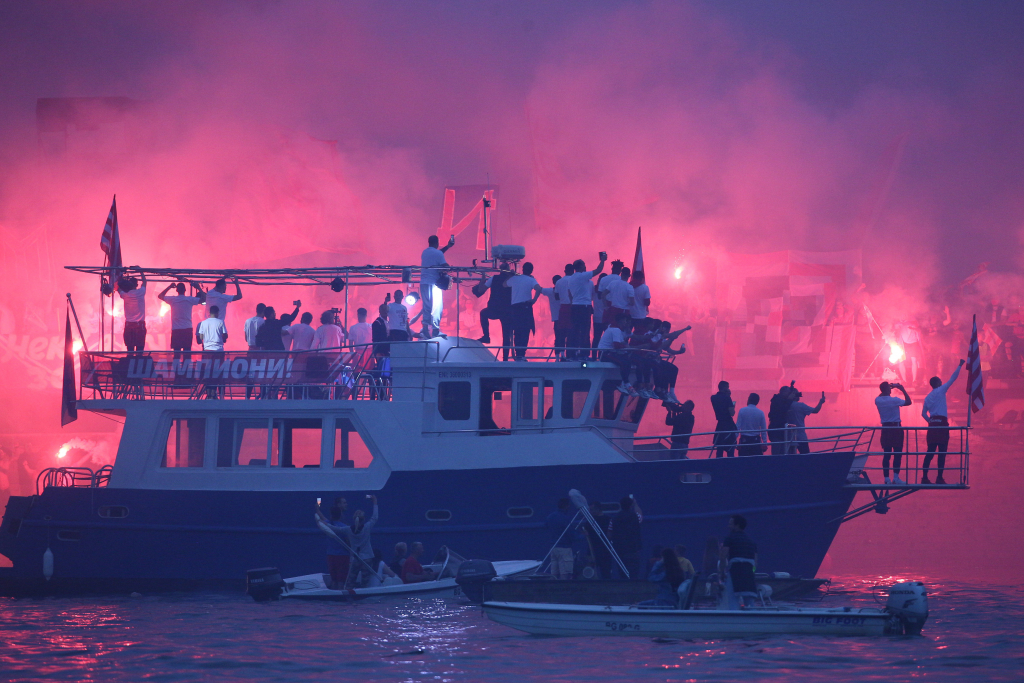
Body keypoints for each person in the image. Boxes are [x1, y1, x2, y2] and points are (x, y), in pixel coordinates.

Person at [921, 359, 965, 484]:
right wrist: (960, 365)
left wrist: (931, 421)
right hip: (942, 424)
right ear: (938, 383)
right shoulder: (941, 390)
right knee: (942, 452)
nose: (942, 382)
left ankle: (924, 477)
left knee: (930, 451)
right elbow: (953, 378)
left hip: (933, 424)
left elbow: (923, 414)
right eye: (940, 381)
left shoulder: (928, 397)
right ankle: (939, 477)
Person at [563, 253, 607, 359]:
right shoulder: (582, 276)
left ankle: (571, 354)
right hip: (584, 307)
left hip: (575, 306)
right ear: (580, 267)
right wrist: (603, 260)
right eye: (584, 265)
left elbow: (569, 294)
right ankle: (584, 354)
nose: (585, 266)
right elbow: (598, 270)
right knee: (585, 331)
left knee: (573, 330)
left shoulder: (571, 279)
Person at [875, 381, 913, 485]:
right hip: (896, 428)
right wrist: (902, 389)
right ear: (888, 389)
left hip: (886, 429)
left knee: (887, 454)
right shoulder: (894, 400)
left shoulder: (877, 400)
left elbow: (881, 394)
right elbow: (909, 402)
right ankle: (896, 477)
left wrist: (886, 387)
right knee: (897, 454)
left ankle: (886, 478)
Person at [504, 262, 543, 360]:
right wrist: (534, 300)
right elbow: (539, 289)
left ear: (523, 269)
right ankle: (522, 354)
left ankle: (518, 354)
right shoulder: (531, 280)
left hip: (515, 308)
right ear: (531, 270)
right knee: (525, 331)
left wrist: (510, 275)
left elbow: (504, 284)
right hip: (526, 307)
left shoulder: (514, 279)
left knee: (517, 331)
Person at [476, 262, 514, 360]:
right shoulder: (513, 279)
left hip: (495, 309)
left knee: (483, 313)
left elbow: (480, 290)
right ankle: (505, 358)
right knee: (506, 336)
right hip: (507, 310)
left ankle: (486, 336)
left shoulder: (494, 278)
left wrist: (483, 278)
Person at [719, 515, 758, 609]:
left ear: (737, 525)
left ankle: (734, 619)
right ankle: (753, 618)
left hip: (735, 570)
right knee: (749, 599)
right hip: (749, 572)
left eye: (730, 524)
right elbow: (755, 562)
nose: (728, 526)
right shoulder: (751, 541)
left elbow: (723, 556)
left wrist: (721, 572)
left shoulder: (729, 538)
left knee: (732, 598)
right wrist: (752, 572)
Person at [420, 234, 455, 337]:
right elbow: (444, 264)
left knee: (426, 306)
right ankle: (435, 330)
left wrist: (448, 247)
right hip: (434, 283)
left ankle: (425, 328)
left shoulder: (425, 252)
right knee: (437, 306)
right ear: (437, 243)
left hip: (423, 283)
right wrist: (449, 267)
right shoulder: (438, 254)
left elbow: (438, 254)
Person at [158, 282, 204, 355]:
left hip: (176, 329)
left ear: (176, 290)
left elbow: (160, 296)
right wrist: (198, 288)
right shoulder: (190, 299)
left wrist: (169, 287)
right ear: (185, 290)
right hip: (187, 329)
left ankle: (176, 366)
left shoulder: (173, 299)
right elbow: (204, 299)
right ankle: (186, 366)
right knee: (187, 352)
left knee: (177, 353)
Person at [598, 312, 636, 395]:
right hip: (605, 354)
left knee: (628, 360)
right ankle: (625, 384)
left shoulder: (614, 328)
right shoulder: (616, 330)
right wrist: (627, 347)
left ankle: (624, 383)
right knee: (624, 362)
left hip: (611, 352)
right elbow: (617, 345)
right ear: (621, 321)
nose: (626, 323)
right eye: (625, 321)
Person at [197, 305, 228, 399]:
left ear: (209, 313)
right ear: (217, 312)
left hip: (207, 351)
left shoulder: (203, 323)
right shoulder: (220, 322)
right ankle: (215, 394)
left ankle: (209, 393)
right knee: (217, 373)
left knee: (208, 373)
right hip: (218, 351)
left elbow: (201, 337)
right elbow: (225, 335)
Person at [609, 495, 643, 580]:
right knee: (634, 571)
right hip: (633, 548)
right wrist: (635, 504)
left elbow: (609, 534)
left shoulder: (614, 519)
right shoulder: (635, 517)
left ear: (620, 505)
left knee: (622, 571)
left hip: (619, 549)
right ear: (631, 505)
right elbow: (640, 515)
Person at [319, 499, 350, 589]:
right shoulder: (344, 527)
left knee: (334, 579)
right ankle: (341, 598)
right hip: (343, 556)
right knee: (341, 580)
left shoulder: (327, 524)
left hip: (331, 555)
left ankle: (333, 598)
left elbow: (321, 519)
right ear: (340, 515)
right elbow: (348, 543)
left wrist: (317, 510)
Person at [545, 498, 577, 579]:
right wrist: (584, 536)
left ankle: (553, 589)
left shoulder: (550, 516)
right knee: (565, 572)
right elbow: (572, 535)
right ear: (567, 506)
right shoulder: (565, 518)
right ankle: (564, 589)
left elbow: (546, 525)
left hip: (554, 547)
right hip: (564, 548)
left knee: (554, 572)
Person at [786, 389, 826, 454]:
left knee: (790, 457)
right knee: (806, 455)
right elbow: (816, 410)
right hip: (801, 436)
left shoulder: (785, 406)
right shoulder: (801, 405)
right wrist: (821, 402)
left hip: (788, 436)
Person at [117, 268, 148, 352]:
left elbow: (117, 287)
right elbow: (144, 282)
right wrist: (141, 270)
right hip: (139, 324)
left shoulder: (125, 295)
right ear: (136, 285)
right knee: (140, 348)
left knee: (130, 349)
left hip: (129, 324)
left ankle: (130, 363)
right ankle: (138, 363)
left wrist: (120, 278)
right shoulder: (141, 292)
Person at [583, 502, 613, 579]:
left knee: (606, 572)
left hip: (605, 550)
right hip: (592, 549)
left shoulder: (608, 520)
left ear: (598, 509)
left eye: (592, 510)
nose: (590, 512)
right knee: (591, 573)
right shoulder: (590, 521)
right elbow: (585, 532)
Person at [552, 264, 574, 359]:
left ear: (565, 271)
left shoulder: (559, 282)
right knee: (572, 332)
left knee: (560, 332)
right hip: (573, 308)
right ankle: (571, 355)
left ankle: (559, 355)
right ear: (573, 271)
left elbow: (556, 296)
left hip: (563, 308)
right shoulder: (575, 280)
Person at [605, 267, 636, 332]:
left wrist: (605, 305)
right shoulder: (629, 287)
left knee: (612, 327)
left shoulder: (612, 283)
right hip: (624, 311)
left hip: (613, 309)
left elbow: (603, 294)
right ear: (629, 276)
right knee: (622, 330)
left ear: (621, 274)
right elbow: (632, 302)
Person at [710, 381, 737, 458]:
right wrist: (729, 398)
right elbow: (732, 413)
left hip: (720, 425)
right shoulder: (727, 398)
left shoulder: (713, 398)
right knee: (730, 450)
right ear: (725, 388)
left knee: (719, 449)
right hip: (728, 425)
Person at [767, 385, 795, 455]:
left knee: (782, 451)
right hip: (777, 429)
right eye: (788, 393)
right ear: (783, 392)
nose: (789, 394)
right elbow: (783, 410)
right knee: (777, 451)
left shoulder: (777, 399)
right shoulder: (778, 400)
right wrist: (789, 400)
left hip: (780, 430)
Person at [541, 275, 563, 357]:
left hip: (557, 318)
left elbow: (540, 289)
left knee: (558, 338)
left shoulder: (550, 291)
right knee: (565, 337)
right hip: (565, 317)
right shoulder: (564, 291)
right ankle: (564, 356)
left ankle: (558, 357)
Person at [591, 273, 609, 360]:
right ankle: (603, 356)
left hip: (596, 317)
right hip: (606, 318)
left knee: (596, 338)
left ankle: (594, 356)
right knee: (606, 339)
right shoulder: (608, 290)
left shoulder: (594, 290)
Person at [629, 268, 652, 335]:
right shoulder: (645, 288)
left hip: (629, 315)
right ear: (642, 278)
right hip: (640, 316)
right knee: (639, 335)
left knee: (626, 335)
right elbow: (647, 303)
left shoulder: (628, 286)